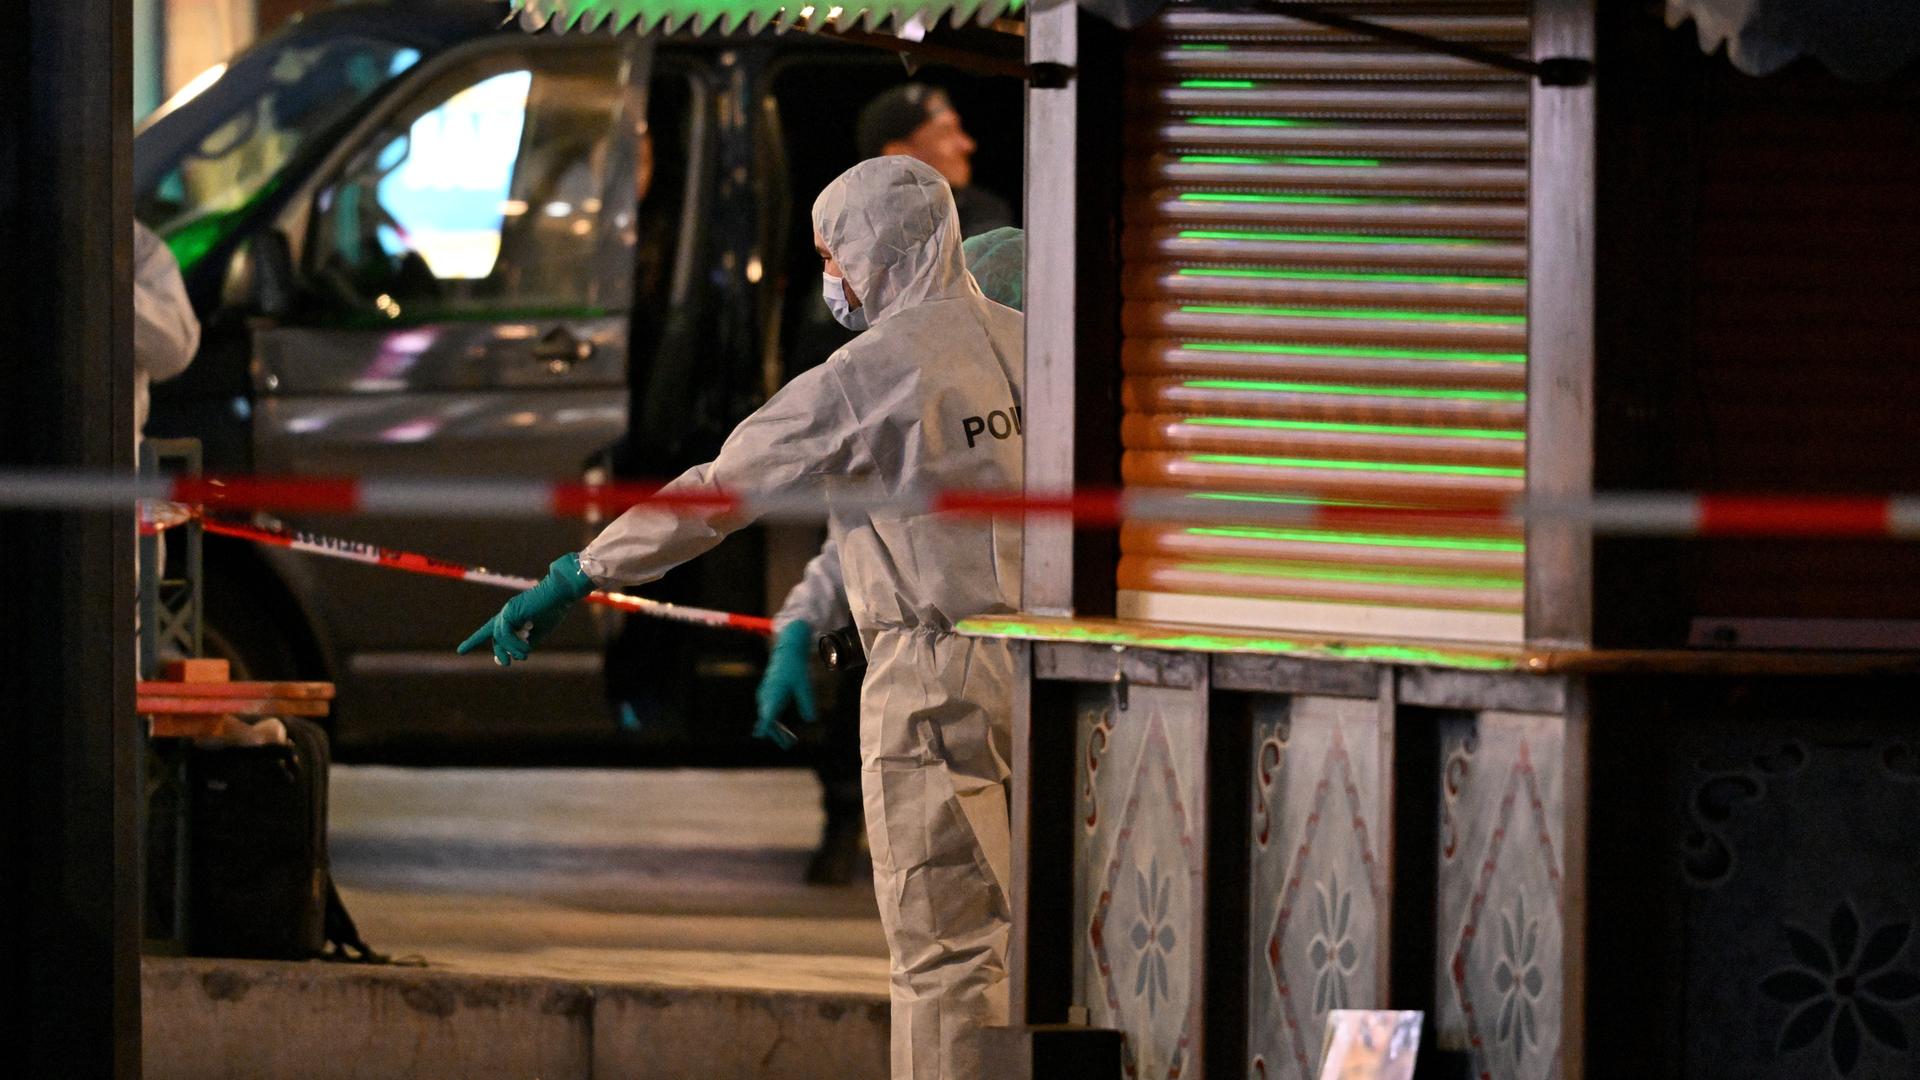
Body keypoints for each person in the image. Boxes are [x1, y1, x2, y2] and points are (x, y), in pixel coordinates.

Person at [460, 156, 1024, 1079]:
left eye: (835, 255)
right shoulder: (1031, 345)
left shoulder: (868, 372)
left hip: (936, 687)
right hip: (1060, 676)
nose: (831, 279)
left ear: (874, 250)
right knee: (1046, 947)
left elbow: (716, 494)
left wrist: (577, 574)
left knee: (947, 952)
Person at [857, 83, 1013, 238]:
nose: (968, 145)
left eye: (958, 130)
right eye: (946, 133)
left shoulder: (986, 212)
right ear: (898, 155)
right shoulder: (853, 226)